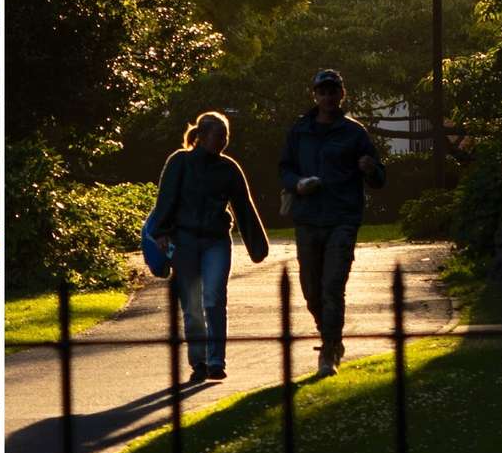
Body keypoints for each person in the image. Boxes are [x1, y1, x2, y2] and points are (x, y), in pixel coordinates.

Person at [279, 69, 386, 377]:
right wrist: (297, 183)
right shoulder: (300, 130)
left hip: (342, 218)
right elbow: (284, 168)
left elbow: (379, 177)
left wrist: (370, 169)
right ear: (315, 95)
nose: (327, 96)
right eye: (322, 91)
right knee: (311, 289)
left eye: (332, 91)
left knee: (332, 285)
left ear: (342, 94)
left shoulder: (355, 133)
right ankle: (329, 335)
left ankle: (329, 350)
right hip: (308, 218)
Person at [149, 111, 269, 382]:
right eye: (219, 135)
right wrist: (161, 232)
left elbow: (244, 207)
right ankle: (199, 363)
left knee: (214, 298)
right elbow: (165, 199)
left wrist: (257, 247)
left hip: (216, 240)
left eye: (227, 135)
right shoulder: (180, 162)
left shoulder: (229, 168)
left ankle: (216, 361)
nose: (224, 141)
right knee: (191, 306)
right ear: (202, 137)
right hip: (185, 241)